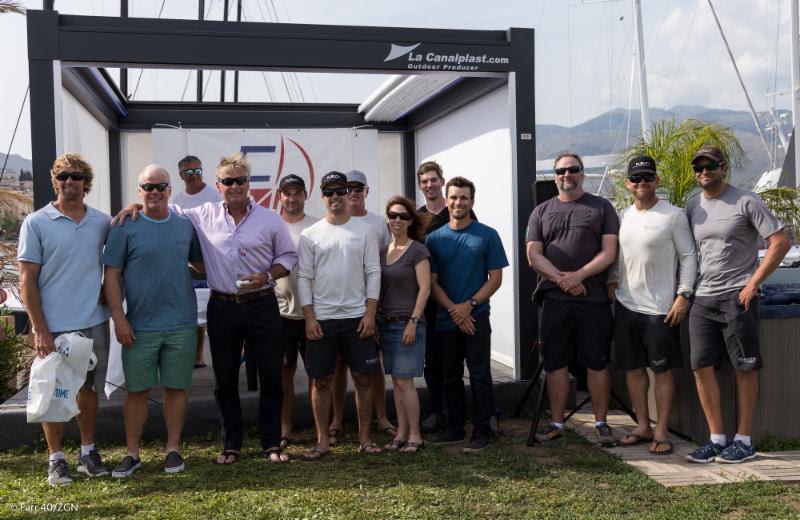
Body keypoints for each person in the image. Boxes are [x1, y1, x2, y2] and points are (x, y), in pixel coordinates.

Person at [117, 152, 297, 464]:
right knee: (225, 379)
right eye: (228, 181)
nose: (235, 186)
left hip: (263, 304)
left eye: (240, 180)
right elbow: (159, 203)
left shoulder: (270, 218)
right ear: (218, 185)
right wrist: (134, 206)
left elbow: (288, 258)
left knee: (271, 375)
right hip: (223, 306)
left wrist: (267, 275)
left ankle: (271, 444)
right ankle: (231, 445)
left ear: (249, 183)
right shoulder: (201, 214)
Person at [685, 145, 790, 464]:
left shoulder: (746, 200)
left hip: (737, 296)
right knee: (700, 367)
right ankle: (717, 438)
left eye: (710, 165)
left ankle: (744, 440)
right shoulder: (692, 207)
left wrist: (753, 283)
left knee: (745, 368)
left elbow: (781, 241)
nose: (704, 171)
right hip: (703, 298)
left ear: (723, 167)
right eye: (698, 167)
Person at [18, 153, 112, 486]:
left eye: (75, 176)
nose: (69, 182)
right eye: (63, 176)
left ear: (87, 182)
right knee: (54, 392)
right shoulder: (37, 222)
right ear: (55, 182)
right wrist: (40, 328)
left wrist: (106, 288)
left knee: (87, 390)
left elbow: (114, 264)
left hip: (92, 319)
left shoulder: (102, 221)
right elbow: (26, 280)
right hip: (53, 324)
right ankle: (56, 460)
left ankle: (88, 453)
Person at [103, 165, 203, 477]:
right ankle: (132, 454)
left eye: (160, 186)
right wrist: (119, 320)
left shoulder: (185, 226)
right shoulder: (124, 226)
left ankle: (172, 449)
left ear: (171, 190)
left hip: (182, 323)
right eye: (148, 187)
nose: (155, 192)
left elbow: (202, 263)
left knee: (176, 387)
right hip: (139, 326)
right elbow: (112, 276)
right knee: (137, 391)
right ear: (140, 191)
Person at [526, 152, 619, 446]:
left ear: (582, 173)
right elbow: (533, 255)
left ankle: (601, 423)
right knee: (555, 362)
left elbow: (609, 251)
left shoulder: (602, 207)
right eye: (561, 171)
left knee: (597, 361)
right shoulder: (541, 211)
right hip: (555, 299)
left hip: (593, 300)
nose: (567, 175)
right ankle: (556, 423)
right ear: (554, 176)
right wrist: (562, 280)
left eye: (573, 169)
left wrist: (579, 276)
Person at [606, 155, 696, 455]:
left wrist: (683, 295)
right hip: (626, 305)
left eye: (647, 178)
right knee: (633, 370)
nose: (641, 183)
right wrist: (612, 279)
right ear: (628, 183)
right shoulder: (622, 216)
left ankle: (661, 431)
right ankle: (643, 426)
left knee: (663, 372)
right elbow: (619, 257)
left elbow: (689, 257)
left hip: (660, 309)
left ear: (656, 180)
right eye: (636, 178)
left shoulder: (674, 215)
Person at [297, 171, 382, 459]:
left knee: (364, 379)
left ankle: (365, 439)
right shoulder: (310, 235)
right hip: (322, 320)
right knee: (320, 381)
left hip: (358, 318)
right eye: (329, 191)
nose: (335, 196)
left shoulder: (364, 231)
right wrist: (309, 318)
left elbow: (373, 272)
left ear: (348, 194)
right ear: (322, 196)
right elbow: (304, 277)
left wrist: (370, 314)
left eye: (340, 190)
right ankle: (322, 441)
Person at [426, 176, 508, 453]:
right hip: (446, 319)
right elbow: (432, 283)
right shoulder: (433, 239)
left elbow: (495, 279)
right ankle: (455, 428)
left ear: (472, 202)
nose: (458, 202)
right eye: (454, 197)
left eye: (464, 198)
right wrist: (453, 309)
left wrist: (468, 306)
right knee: (450, 376)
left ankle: (483, 430)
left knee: (480, 374)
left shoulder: (487, 234)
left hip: (476, 318)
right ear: (446, 200)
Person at [327, 169, 395, 444]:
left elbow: (388, 265)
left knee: (372, 366)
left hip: (371, 306)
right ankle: (336, 420)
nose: (353, 192)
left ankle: (382, 416)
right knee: (339, 365)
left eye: (358, 187)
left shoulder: (379, 224)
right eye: (348, 187)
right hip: (339, 308)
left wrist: (376, 309)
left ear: (367, 191)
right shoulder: (333, 223)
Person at [378, 196, 431, 453]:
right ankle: (400, 432)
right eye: (392, 215)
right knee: (396, 383)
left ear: (410, 221)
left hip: (407, 324)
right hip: (386, 324)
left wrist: (413, 321)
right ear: (387, 219)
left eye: (402, 216)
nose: (397, 220)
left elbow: (425, 289)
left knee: (406, 383)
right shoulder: (382, 252)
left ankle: (415, 435)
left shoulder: (417, 250)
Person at [274, 174, 319, 448]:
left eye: (297, 193)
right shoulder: (272, 226)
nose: (292, 198)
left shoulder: (317, 227)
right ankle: (284, 429)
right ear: (280, 196)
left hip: (313, 313)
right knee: (284, 374)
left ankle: (320, 430)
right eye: (287, 193)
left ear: (305, 195)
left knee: (318, 373)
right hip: (280, 313)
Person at [171, 155, 221, 369]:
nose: (194, 176)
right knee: (194, 311)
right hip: (191, 265)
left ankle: (228, 355)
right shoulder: (176, 202)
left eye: (197, 171)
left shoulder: (215, 195)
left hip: (216, 261)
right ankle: (198, 355)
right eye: (189, 172)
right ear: (181, 175)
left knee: (219, 312)